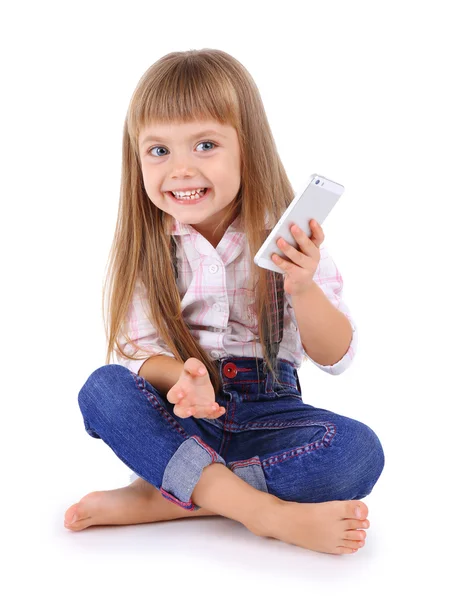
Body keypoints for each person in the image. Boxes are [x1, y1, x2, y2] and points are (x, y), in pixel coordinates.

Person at [64, 48, 385, 555]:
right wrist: (184, 380)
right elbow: (137, 357)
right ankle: (261, 512)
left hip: (269, 419)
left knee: (358, 454)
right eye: (159, 151)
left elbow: (336, 356)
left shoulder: (288, 240)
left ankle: (170, 495)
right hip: (185, 420)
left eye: (206, 144)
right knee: (103, 390)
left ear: (247, 148)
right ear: (137, 158)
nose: (180, 170)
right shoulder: (148, 248)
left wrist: (302, 287)